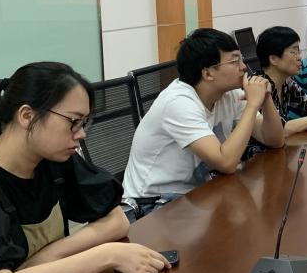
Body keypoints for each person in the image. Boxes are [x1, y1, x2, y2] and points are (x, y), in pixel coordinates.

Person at [0, 63, 169, 273]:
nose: (81, 134)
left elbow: (116, 220)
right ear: (27, 116)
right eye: (73, 122)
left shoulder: (52, 160)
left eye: (84, 123)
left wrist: (48, 256)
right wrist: (107, 255)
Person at [122, 28, 284, 220]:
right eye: (235, 61)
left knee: (259, 216)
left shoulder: (228, 93)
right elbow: (226, 163)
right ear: (208, 73)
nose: (244, 67)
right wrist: (252, 105)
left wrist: (265, 99)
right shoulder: (178, 103)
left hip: (197, 194)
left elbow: (275, 140)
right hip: (152, 205)